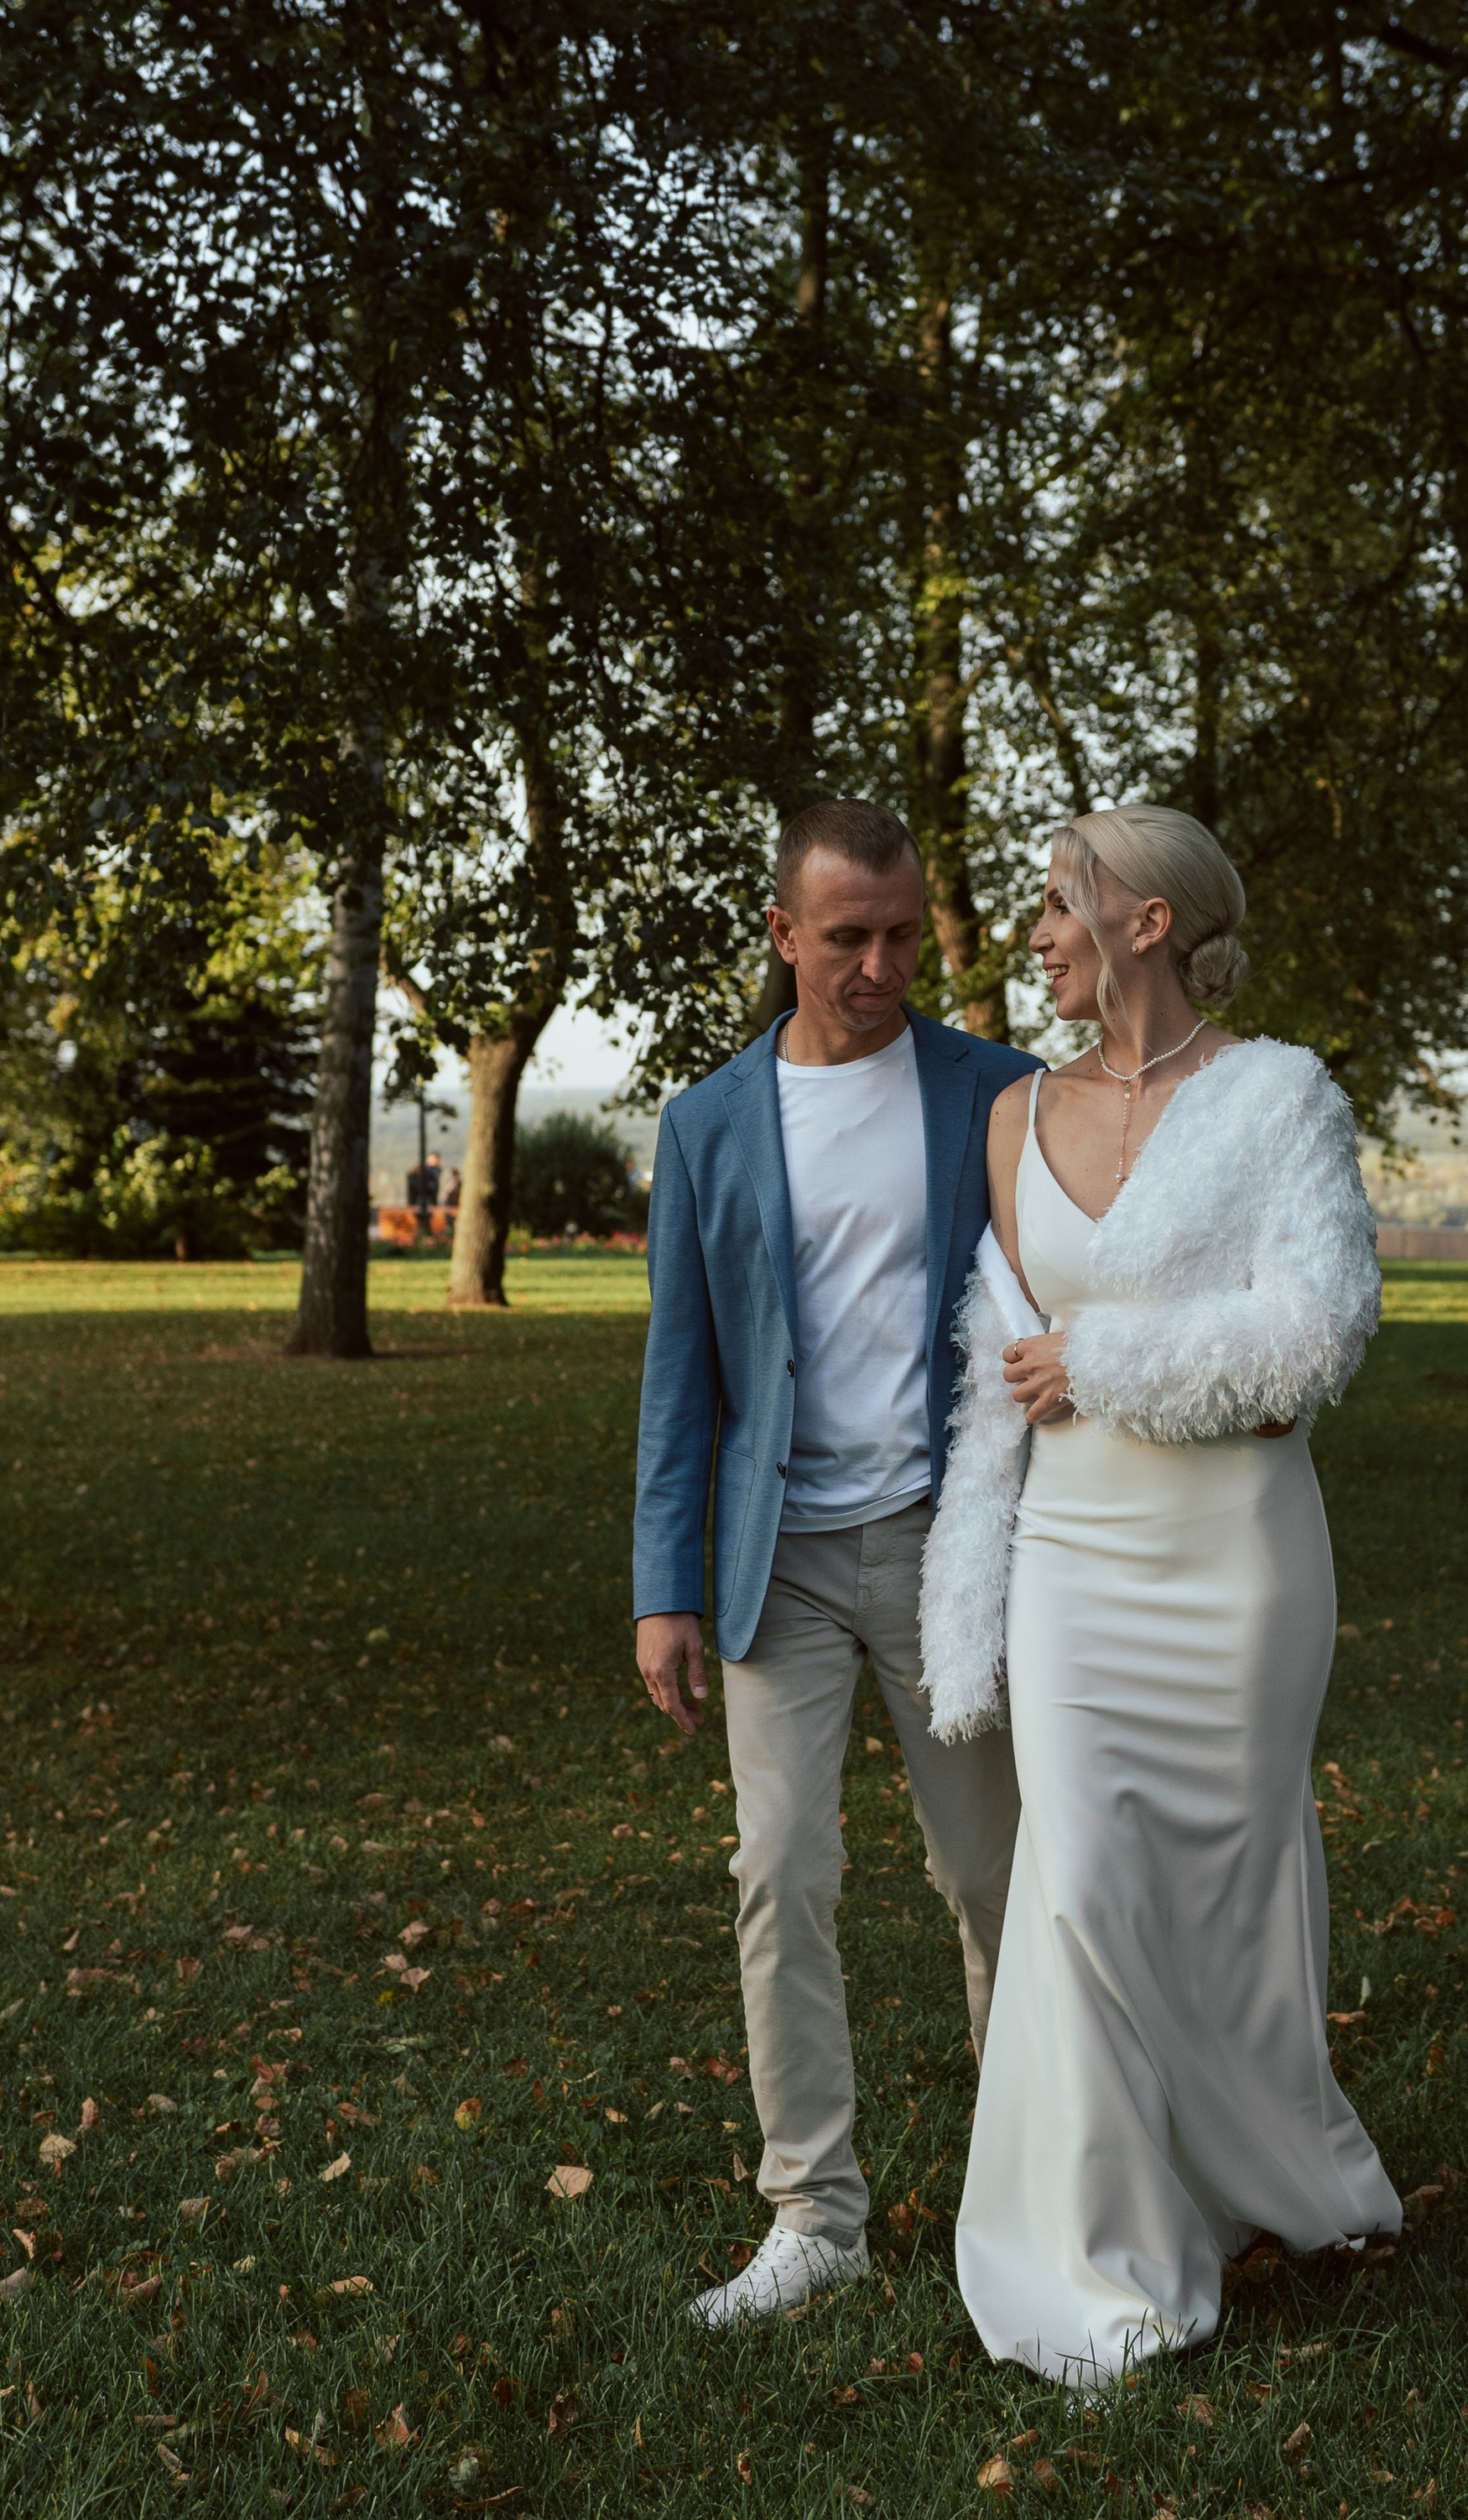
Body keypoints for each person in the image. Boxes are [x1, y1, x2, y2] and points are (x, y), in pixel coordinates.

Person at [920, 802, 1402, 2384]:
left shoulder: (1277, 1101)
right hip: (1072, 1558)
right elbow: (1005, 1372)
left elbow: (1306, 1353)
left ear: (1144, 921)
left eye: (1059, 903)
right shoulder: (1011, 1116)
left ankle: (1272, 2172)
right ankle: (1102, 2255)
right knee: (1078, 1884)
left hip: (1240, 1562)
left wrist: (1109, 1361)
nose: (1035, 933)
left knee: (1238, 1886)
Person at [633, 798, 1035, 2325]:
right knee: (778, 1875)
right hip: (776, 1564)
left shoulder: (997, 1094)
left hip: (955, 1548)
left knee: (995, 1878)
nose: (877, 965)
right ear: (785, 934)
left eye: (900, 935)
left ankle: (1033, 2186)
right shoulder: (709, 1123)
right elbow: (686, 1376)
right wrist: (663, 1586)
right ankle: (814, 2219)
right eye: (846, 936)